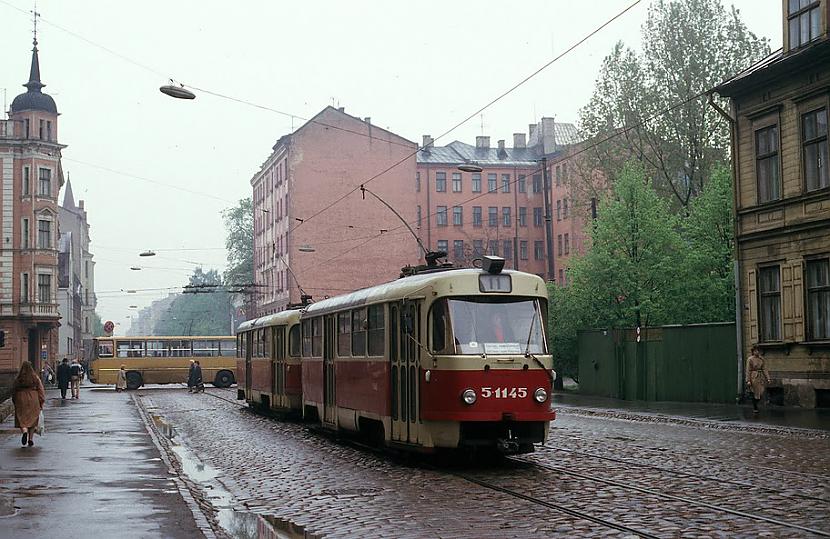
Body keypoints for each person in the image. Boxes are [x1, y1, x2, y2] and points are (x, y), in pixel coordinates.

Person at [12, 361, 45, 447]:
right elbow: (41, 391)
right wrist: (41, 402)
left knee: (21, 418)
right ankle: (30, 439)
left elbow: (14, 391)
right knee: (33, 420)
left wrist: (15, 401)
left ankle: (24, 431)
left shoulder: (18, 379)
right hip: (33, 399)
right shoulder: (35, 378)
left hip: (21, 399)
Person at [746, 345, 771, 413]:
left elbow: (764, 369)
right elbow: (748, 370)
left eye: (758, 351)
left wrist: (768, 378)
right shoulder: (750, 359)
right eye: (755, 351)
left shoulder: (761, 359)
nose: (757, 352)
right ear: (753, 352)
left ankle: (756, 403)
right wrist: (748, 380)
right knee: (755, 392)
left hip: (760, 377)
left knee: (761, 391)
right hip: (753, 377)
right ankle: (755, 407)